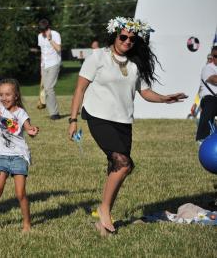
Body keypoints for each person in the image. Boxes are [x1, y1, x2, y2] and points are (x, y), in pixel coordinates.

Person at [68, 17, 187, 235]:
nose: (127, 41)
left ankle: (103, 220)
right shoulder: (98, 57)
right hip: (98, 116)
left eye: (132, 39)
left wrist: (165, 99)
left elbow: (145, 92)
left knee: (122, 167)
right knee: (122, 163)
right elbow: (80, 89)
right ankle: (104, 209)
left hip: (124, 121)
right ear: (115, 36)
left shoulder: (135, 63)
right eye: (123, 37)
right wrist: (73, 120)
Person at [0, 79, 39, 232]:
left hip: (19, 157)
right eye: (1, 95)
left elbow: (28, 128)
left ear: (16, 96)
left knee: (20, 194)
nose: (4, 98)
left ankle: (27, 224)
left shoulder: (21, 113)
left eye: (8, 94)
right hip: (2, 156)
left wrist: (32, 131)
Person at [37, 18, 62, 120]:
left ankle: (54, 113)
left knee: (49, 88)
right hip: (45, 65)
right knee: (45, 88)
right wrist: (41, 66)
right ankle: (48, 107)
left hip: (54, 63)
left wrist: (50, 39)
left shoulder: (56, 34)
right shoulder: (39, 36)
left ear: (48, 28)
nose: (42, 33)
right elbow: (42, 52)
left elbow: (59, 49)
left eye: (44, 30)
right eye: (40, 31)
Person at [196, 46, 217, 143]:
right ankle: (202, 137)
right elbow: (214, 80)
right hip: (210, 98)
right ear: (212, 57)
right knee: (211, 103)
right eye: (215, 56)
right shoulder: (207, 68)